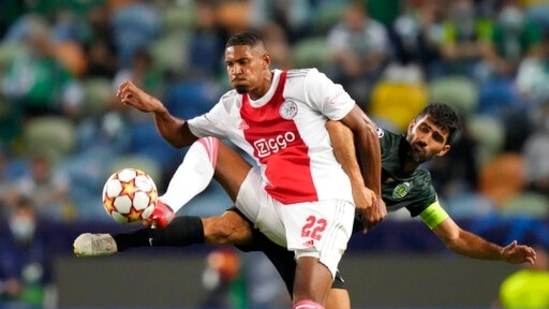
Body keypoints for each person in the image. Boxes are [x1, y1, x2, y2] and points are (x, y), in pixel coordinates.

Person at [75, 103, 537, 309]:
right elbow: (339, 127)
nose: (425, 137)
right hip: (288, 208)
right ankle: (117, 242)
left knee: (226, 231)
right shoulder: (376, 140)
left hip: (316, 244)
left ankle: (121, 239)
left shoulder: (420, 190)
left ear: (443, 150)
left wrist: (499, 254)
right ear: (413, 123)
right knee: (221, 227)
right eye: (424, 127)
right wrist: (362, 185)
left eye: (436, 137)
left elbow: (454, 237)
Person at [107, 31, 385, 309]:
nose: (236, 70)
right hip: (273, 205)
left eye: (244, 62)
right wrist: (159, 110)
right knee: (209, 146)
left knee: (308, 303)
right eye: (230, 65)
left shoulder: (306, 84)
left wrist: (373, 193)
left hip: (322, 203)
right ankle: (166, 206)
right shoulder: (231, 107)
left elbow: (365, 128)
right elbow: (180, 136)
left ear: (265, 61)